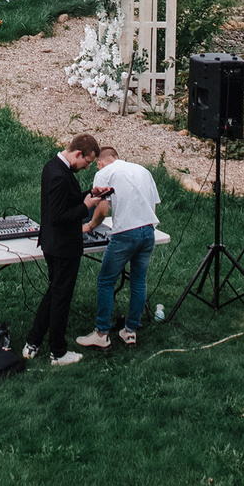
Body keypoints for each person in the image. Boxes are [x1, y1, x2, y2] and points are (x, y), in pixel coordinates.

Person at [24, 133, 101, 365]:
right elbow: (58, 216)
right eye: (87, 162)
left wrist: (89, 194)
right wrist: (85, 207)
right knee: (61, 299)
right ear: (78, 154)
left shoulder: (53, 167)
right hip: (63, 246)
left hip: (52, 243)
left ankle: (33, 341)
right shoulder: (60, 176)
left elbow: (66, 199)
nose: (86, 167)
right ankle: (58, 352)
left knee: (53, 293)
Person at [78, 144, 161, 350]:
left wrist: (89, 227)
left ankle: (101, 333)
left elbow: (102, 209)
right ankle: (130, 331)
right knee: (138, 281)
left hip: (125, 234)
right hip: (148, 231)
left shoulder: (104, 173)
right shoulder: (143, 170)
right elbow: (153, 204)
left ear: (100, 162)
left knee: (106, 280)